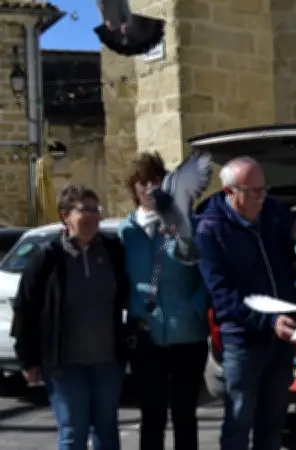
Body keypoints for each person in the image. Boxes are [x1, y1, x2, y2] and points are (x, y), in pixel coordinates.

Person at [10, 184, 129, 450]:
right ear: (65, 216)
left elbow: (128, 295)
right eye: (84, 209)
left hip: (107, 361)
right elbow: (25, 309)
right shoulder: (47, 256)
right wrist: (27, 358)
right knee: (73, 432)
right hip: (64, 364)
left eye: (96, 210)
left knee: (107, 429)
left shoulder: (112, 251)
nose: (93, 216)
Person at [195, 156, 296, 450]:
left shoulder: (273, 213)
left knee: (273, 423)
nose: (261, 197)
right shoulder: (209, 230)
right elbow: (223, 294)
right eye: (253, 191)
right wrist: (269, 320)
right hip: (242, 341)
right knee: (238, 423)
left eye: (264, 189)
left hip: (280, 340)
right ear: (230, 192)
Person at [118, 153, 210, 450]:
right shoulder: (124, 233)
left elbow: (207, 271)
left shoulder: (184, 222)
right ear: (133, 189)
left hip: (188, 334)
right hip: (147, 336)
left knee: (184, 414)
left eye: (155, 180)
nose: (149, 187)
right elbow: (121, 282)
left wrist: (197, 307)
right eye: (141, 182)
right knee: (152, 416)